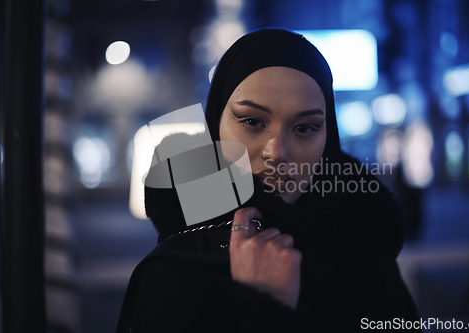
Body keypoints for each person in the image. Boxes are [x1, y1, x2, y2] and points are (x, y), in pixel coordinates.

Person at [116, 28, 421, 332]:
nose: (277, 152)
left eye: (305, 128)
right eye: (252, 121)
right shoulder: (174, 270)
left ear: (328, 137)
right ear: (215, 124)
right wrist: (263, 308)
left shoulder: (363, 243)